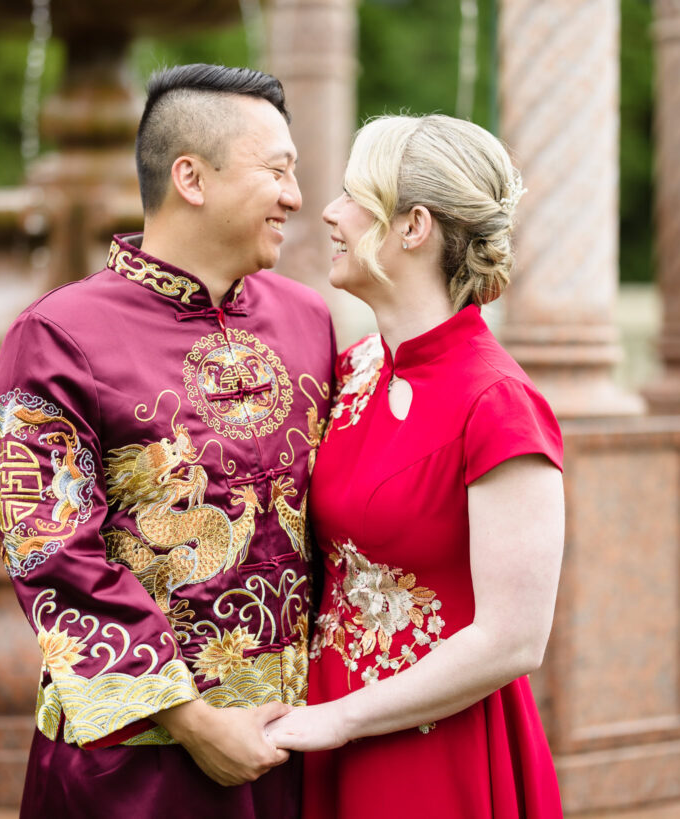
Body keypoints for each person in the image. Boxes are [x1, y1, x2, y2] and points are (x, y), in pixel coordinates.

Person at [0, 64, 335, 818]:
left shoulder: (312, 321)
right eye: (277, 171)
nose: (295, 197)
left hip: (297, 748)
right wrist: (193, 720)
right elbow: (49, 552)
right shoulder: (57, 337)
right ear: (191, 178)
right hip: (133, 762)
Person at [266, 114, 566, 817]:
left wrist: (343, 717)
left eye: (351, 194)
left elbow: (515, 638)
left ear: (413, 226)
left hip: (434, 750)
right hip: (332, 729)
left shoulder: (499, 404)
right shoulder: (356, 369)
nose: (330, 213)